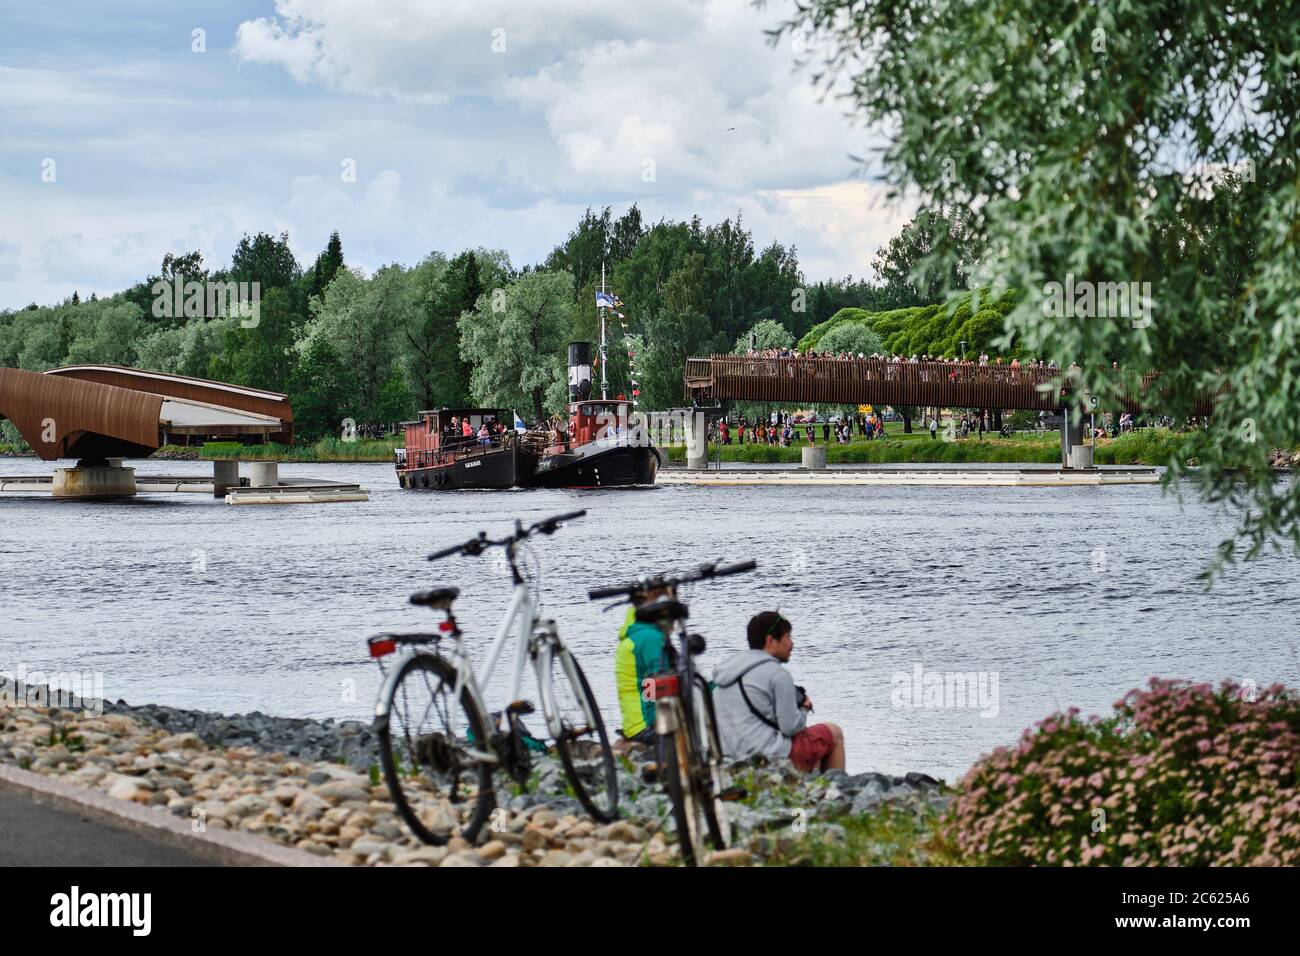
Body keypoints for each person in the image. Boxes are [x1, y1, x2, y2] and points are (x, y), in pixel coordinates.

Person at [712, 612, 845, 772]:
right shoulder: (778, 674)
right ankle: (836, 788)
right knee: (833, 732)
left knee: (812, 745)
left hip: (730, 757)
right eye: (788, 637)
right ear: (770, 641)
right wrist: (804, 708)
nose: (791, 644)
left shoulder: (725, 674)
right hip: (769, 758)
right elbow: (790, 728)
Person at [614, 586, 673, 750]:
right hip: (646, 725)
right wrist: (657, 721)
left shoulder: (638, 635)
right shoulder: (649, 638)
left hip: (635, 723)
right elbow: (652, 684)